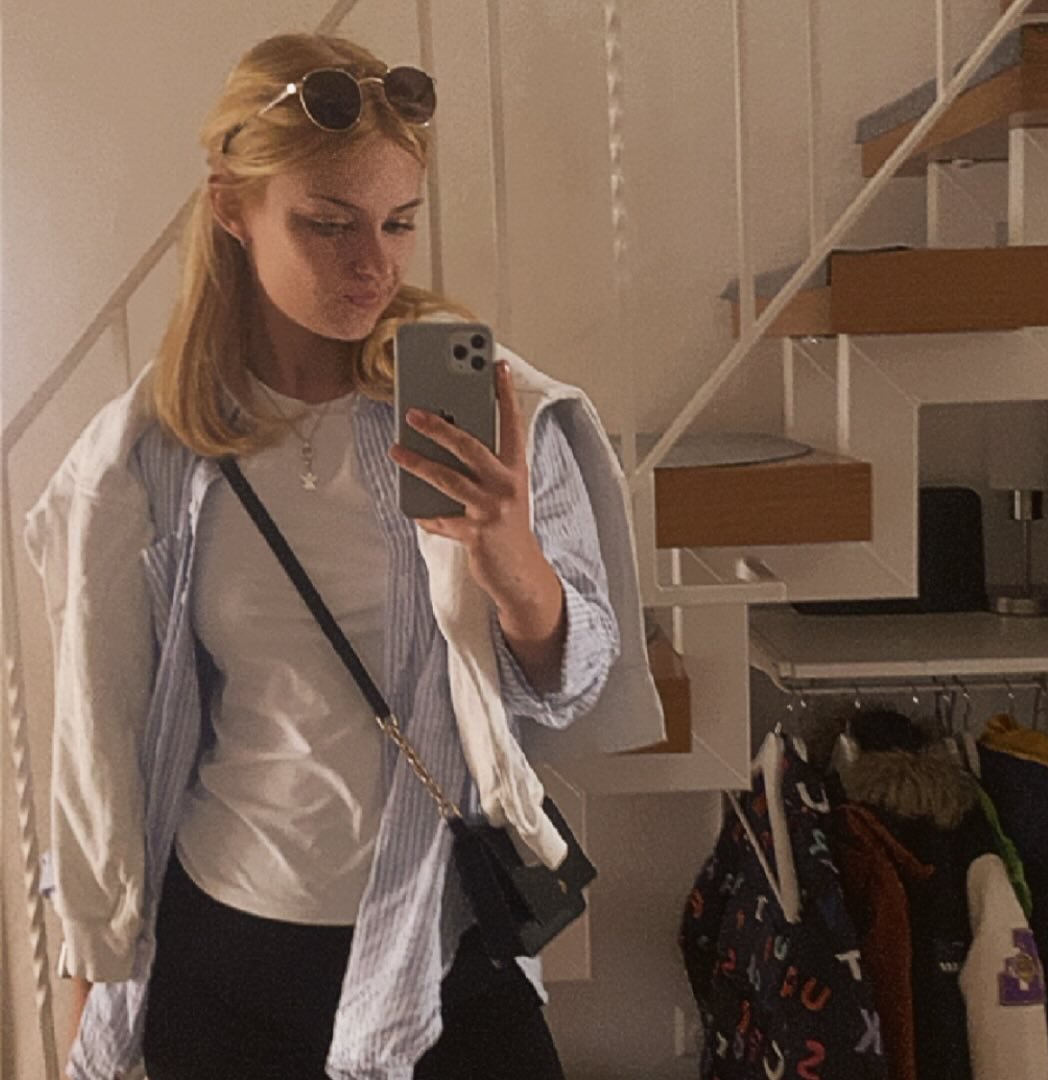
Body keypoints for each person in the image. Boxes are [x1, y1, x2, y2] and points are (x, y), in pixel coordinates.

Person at [24, 30, 664, 1080]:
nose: (375, 263)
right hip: (224, 949)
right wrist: (87, 985)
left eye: (399, 222)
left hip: (442, 943)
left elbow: (572, 685)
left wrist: (513, 561)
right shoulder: (152, 456)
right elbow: (104, 733)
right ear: (232, 209)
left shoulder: (486, 411)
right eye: (328, 224)